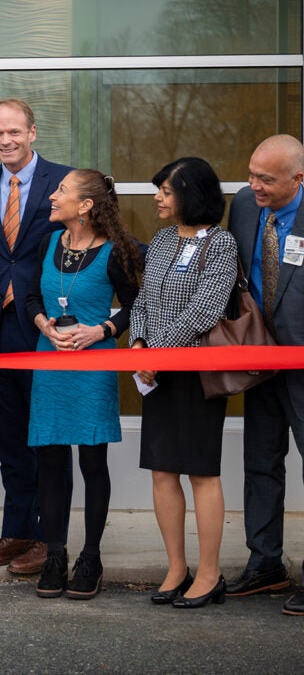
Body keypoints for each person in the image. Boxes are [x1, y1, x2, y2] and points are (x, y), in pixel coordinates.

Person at [0, 98, 72, 575]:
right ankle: (17, 532)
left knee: (47, 438)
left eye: (14, 131)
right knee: (9, 438)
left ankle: (52, 541)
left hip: (48, 329)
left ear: (33, 133)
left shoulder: (63, 182)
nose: (4, 140)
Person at [25, 170, 142, 600]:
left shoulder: (114, 252)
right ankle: (55, 554)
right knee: (50, 463)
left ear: (87, 205)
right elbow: (31, 298)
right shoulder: (48, 242)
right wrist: (44, 323)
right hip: (49, 361)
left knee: (93, 464)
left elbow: (135, 305)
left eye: (61, 192)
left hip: (92, 366)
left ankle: (90, 557)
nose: (53, 197)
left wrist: (101, 331)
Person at [130, 156, 237, 609]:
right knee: (162, 471)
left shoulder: (222, 244)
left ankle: (210, 574)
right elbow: (142, 298)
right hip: (155, 373)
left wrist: (159, 352)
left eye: (167, 191)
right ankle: (177, 567)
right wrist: (137, 343)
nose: (158, 197)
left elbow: (206, 308)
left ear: (191, 194)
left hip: (195, 374)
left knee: (201, 473)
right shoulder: (160, 239)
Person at [226, 134, 304, 615]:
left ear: (299, 179)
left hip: (302, 359)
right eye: (251, 173)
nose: (253, 184)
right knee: (260, 462)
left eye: (266, 179)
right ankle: (265, 563)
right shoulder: (242, 204)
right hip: (260, 357)